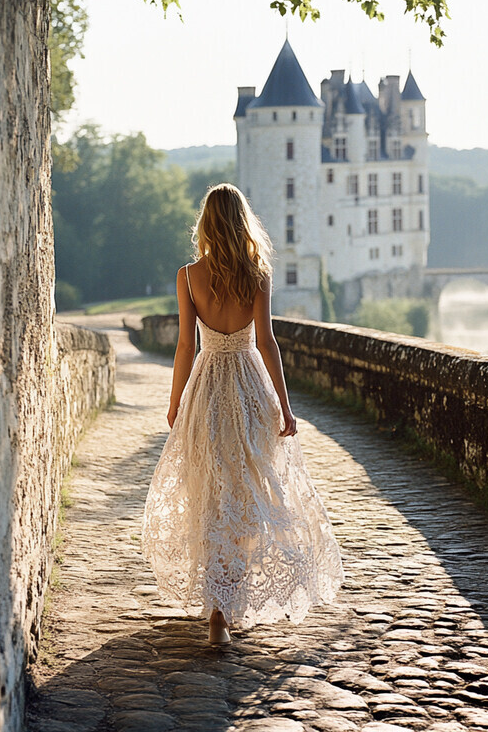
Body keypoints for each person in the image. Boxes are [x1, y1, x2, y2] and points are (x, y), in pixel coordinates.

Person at [141, 183, 344, 644]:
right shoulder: (258, 274)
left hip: (208, 390)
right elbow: (268, 344)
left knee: (211, 493)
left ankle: (216, 610)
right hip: (250, 388)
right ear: (242, 221)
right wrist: (286, 407)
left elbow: (185, 347)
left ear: (206, 224)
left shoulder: (188, 275)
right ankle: (229, 599)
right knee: (248, 492)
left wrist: (175, 403)